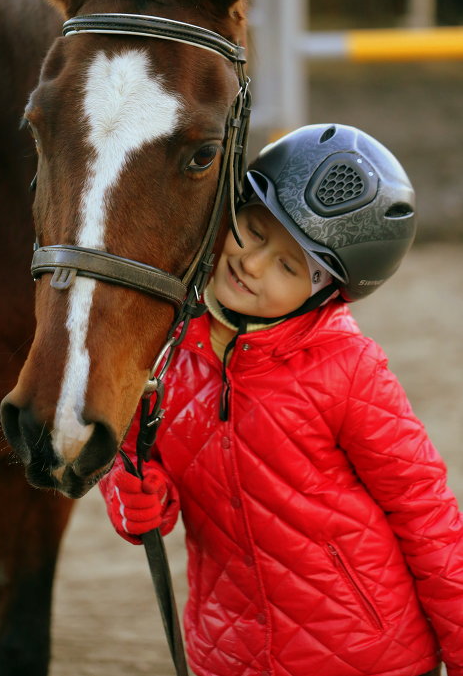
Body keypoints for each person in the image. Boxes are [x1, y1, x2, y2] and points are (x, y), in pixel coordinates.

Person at [99, 123, 463, 676]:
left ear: (324, 291)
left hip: (364, 658)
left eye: (290, 266)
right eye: (251, 229)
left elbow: (426, 514)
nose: (253, 263)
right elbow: (133, 459)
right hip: (229, 654)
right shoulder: (161, 347)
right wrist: (131, 497)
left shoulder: (349, 369)